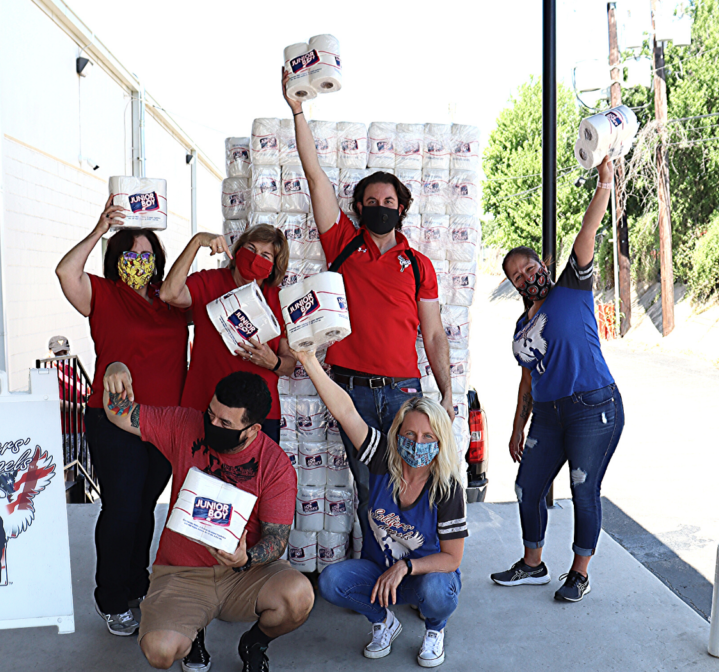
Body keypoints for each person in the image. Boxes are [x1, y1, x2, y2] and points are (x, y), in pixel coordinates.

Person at [282, 70, 453, 542]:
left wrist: (448, 392)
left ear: (403, 208)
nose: (381, 206)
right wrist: (297, 108)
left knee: (416, 485)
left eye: (390, 200)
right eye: (372, 200)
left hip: (403, 393)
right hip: (351, 392)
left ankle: (420, 563)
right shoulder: (340, 242)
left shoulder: (419, 266)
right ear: (358, 207)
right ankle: (376, 564)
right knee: (365, 485)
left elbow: (434, 335)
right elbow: (314, 173)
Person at [102, 365, 313, 672]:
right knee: (159, 652)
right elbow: (120, 414)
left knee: (299, 596)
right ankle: (192, 633)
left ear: (253, 428)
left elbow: (277, 539)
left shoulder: (275, 465)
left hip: (242, 575)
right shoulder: (184, 424)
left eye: (224, 422)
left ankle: (255, 642)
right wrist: (114, 371)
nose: (212, 423)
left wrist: (246, 558)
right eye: (210, 414)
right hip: (182, 574)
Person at [489, 156, 625, 603]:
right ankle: (533, 564)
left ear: (543, 265)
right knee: (527, 486)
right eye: (517, 276)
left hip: (593, 407)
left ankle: (580, 573)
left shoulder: (572, 286)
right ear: (513, 285)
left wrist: (603, 184)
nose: (527, 276)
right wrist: (515, 427)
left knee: (583, 489)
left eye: (530, 268)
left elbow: (587, 233)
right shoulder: (520, 327)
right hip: (546, 415)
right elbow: (529, 379)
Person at [55, 196, 188, 635]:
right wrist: (98, 230)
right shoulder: (103, 294)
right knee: (122, 508)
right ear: (116, 258)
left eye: (148, 255)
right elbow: (65, 272)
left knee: (144, 506)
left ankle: (137, 582)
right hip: (114, 420)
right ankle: (111, 599)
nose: (140, 262)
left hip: (165, 423)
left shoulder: (171, 301)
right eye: (131, 254)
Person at [290, 348, 466, 668]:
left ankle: (435, 629)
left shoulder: (446, 487)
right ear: (397, 435)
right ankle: (384, 621)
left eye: (429, 436)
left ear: (441, 441)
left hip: (425, 576)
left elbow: (453, 558)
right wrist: (309, 360)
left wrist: (406, 568)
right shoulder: (385, 460)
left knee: (439, 591)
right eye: (409, 434)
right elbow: (346, 411)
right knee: (331, 581)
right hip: (381, 572)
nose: (418, 443)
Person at [160, 224, 296, 442]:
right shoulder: (209, 281)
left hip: (257, 417)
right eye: (250, 249)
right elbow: (168, 293)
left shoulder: (279, 300)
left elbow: (290, 364)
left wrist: (273, 362)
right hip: (203, 407)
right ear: (238, 249)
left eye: (265, 255)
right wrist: (196, 241)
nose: (254, 258)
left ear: (274, 265)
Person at [47, 335, 88, 467]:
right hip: (66, 428)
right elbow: (56, 402)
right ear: (50, 353)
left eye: (64, 352)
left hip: (80, 426)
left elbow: (80, 390)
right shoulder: (49, 372)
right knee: (67, 468)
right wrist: (80, 408)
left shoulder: (70, 370)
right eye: (58, 353)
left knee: (81, 467)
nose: (63, 355)